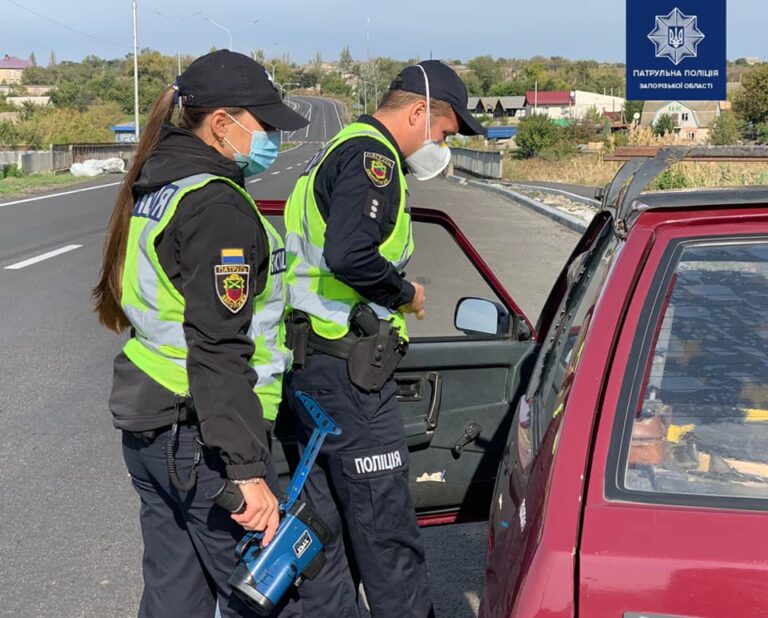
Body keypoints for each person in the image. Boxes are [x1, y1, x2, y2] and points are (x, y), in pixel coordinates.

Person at [92, 50, 308, 618]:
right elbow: (217, 345)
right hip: (204, 439)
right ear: (221, 123)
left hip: (153, 423)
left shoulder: (159, 184)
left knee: (174, 596)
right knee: (263, 594)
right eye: (264, 126)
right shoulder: (216, 204)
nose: (272, 140)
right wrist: (247, 471)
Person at [282, 60, 485, 618]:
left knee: (325, 536)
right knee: (386, 536)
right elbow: (350, 255)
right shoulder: (372, 158)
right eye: (444, 132)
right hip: (350, 375)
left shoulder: (332, 152)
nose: (442, 144)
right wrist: (405, 294)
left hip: (311, 368)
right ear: (419, 112)